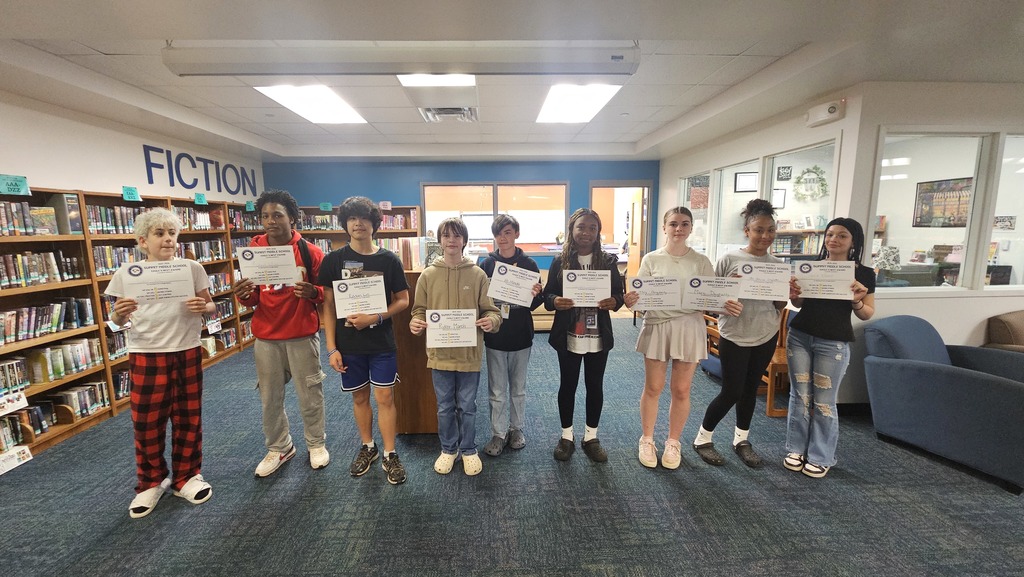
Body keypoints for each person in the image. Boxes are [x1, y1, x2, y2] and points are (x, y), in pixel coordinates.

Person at [106, 208, 215, 518]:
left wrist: (203, 306)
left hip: (187, 349)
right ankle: (151, 480)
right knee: (146, 422)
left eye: (172, 234)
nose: (168, 240)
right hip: (146, 352)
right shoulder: (127, 274)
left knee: (188, 416)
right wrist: (118, 314)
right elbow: (114, 321)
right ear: (143, 241)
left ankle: (187, 476)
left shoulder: (191, 268)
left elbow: (210, 304)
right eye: (160, 234)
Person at [623, 207, 741, 469]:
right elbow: (639, 297)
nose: (679, 229)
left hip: (689, 326)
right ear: (664, 227)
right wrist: (631, 300)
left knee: (682, 389)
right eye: (673, 224)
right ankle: (647, 438)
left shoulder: (701, 261)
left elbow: (711, 298)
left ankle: (673, 442)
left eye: (684, 224)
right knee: (653, 387)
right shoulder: (651, 259)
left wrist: (726, 305)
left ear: (690, 228)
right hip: (657, 326)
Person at [233, 190, 328, 478]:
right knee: (270, 397)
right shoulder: (252, 252)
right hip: (266, 338)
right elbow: (253, 299)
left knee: (309, 393)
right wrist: (243, 296)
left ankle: (316, 443)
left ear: (292, 218)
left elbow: (326, 295)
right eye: (264, 216)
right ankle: (279, 447)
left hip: (301, 334)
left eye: (277, 215)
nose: (270, 221)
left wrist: (314, 292)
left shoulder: (311, 252)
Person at [318, 196, 410, 485]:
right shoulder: (333, 261)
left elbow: (403, 300)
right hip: (348, 344)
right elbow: (329, 307)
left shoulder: (388, 260)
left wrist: (375, 318)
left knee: (384, 397)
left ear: (374, 224)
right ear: (345, 224)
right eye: (352, 218)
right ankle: (368, 447)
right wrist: (331, 347)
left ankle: (390, 453)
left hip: (381, 342)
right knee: (359, 397)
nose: (358, 223)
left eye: (364, 218)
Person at [691, 199, 784, 469]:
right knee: (731, 391)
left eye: (770, 230)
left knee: (750, 390)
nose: (764, 236)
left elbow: (778, 305)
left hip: (766, 333)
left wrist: (786, 294)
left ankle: (741, 440)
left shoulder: (777, 264)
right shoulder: (730, 259)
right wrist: (727, 291)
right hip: (734, 334)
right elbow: (710, 301)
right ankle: (702, 438)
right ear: (747, 230)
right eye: (758, 230)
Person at [409, 217, 502, 476]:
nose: (451, 240)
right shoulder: (428, 276)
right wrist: (415, 323)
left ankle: (469, 449)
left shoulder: (478, 275)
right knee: (445, 406)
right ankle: (449, 449)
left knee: (467, 406)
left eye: (457, 236)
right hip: (439, 356)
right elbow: (418, 311)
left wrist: (490, 321)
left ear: (464, 241)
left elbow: (493, 311)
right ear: (439, 240)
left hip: (468, 355)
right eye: (447, 236)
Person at [784, 217, 875, 478]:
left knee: (824, 401)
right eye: (830, 234)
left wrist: (856, 301)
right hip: (800, 337)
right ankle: (796, 449)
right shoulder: (811, 267)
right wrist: (794, 294)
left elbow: (867, 313)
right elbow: (800, 304)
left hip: (833, 342)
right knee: (799, 396)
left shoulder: (863, 273)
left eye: (841, 236)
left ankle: (821, 455)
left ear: (853, 241)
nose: (833, 240)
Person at [544, 208, 625, 463]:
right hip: (569, 334)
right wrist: (556, 300)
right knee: (568, 385)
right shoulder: (560, 261)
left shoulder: (608, 262)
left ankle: (591, 436)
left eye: (592, 227)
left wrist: (615, 301)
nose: (586, 232)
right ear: (572, 230)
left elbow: (619, 295)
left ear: (598, 231)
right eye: (581, 227)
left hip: (598, 334)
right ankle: (566, 436)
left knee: (594, 385)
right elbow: (547, 296)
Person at [478, 214, 543, 456]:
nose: (502, 238)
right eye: (498, 233)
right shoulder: (485, 265)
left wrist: (537, 293)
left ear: (516, 233)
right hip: (495, 337)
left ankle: (517, 429)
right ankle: (498, 432)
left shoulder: (529, 265)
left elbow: (535, 304)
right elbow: (480, 301)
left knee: (518, 388)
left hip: (521, 336)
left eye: (507, 232)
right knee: (496, 389)